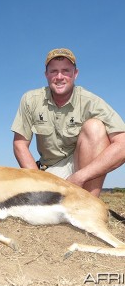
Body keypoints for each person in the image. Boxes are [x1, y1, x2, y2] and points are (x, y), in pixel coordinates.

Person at [11, 48, 125, 197]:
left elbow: (122, 144)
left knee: (95, 127)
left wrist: (80, 177)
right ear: (46, 75)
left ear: (75, 74)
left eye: (65, 71)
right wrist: (38, 181)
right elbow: (20, 144)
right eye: (54, 71)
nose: (59, 76)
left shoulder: (91, 101)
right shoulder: (30, 100)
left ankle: (87, 202)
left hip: (81, 169)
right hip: (49, 171)